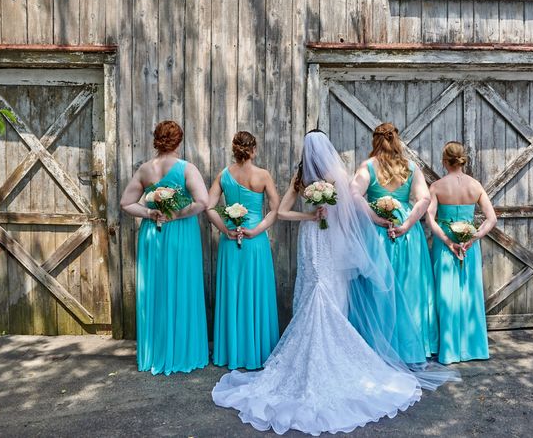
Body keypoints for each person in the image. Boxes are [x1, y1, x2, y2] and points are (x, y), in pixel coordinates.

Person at [212, 130, 459, 435]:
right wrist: (322, 216)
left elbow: (284, 213)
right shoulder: (333, 174)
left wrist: (310, 217)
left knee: (319, 290)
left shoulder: (301, 176)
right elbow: (348, 212)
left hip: (315, 238)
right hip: (327, 240)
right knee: (323, 290)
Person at [120, 120, 209, 375]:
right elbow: (202, 202)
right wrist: (177, 215)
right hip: (181, 235)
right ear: (179, 141)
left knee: (157, 290)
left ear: (156, 140)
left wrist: (150, 213)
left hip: (153, 235)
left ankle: (155, 353)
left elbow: (126, 203)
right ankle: (183, 352)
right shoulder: (186, 169)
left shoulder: (145, 169)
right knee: (182, 287)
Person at [351, 123, 438, 361]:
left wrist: (374, 218)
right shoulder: (411, 167)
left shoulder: (367, 167)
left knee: (378, 286)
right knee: (409, 286)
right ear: (397, 141)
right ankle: (410, 348)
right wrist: (408, 223)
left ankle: (378, 346)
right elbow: (424, 199)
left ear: (374, 141)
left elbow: (354, 193)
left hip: (377, 233)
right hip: (407, 233)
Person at [206, 131, 280, 370]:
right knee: (255, 292)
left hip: (230, 242)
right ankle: (257, 351)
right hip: (255, 243)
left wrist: (225, 230)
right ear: (254, 149)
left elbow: (209, 207)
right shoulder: (263, 175)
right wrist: (257, 230)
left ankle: (232, 351)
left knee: (234, 293)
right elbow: (275, 210)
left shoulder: (224, 175)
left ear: (234, 150)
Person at [426, 141, 496, 364]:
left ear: (445, 161)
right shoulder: (476, 186)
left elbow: (429, 219)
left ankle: (448, 349)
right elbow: (491, 218)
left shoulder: (437, 187)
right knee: (469, 292)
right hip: (469, 246)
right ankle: (473, 348)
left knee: (445, 294)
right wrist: (473, 237)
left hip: (445, 246)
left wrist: (447, 241)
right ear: (463, 159)